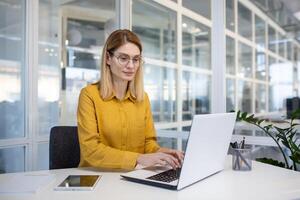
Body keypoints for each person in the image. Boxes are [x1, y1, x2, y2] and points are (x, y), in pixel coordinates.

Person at [77, 29, 184, 170]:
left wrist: (164, 153)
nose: (131, 66)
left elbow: (148, 145)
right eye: (123, 58)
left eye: (136, 59)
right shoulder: (89, 95)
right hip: (97, 176)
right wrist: (138, 158)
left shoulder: (142, 98)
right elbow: (90, 150)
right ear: (108, 58)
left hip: (133, 175)